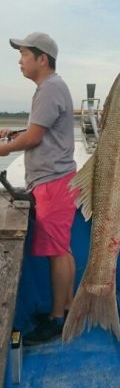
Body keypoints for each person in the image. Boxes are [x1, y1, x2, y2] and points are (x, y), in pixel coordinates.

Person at [0, 32, 77, 345]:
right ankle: (66, 309)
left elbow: (34, 138)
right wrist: (11, 135)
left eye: (24, 55)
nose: (20, 61)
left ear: (42, 59)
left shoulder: (48, 88)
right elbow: (38, 130)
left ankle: (57, 319)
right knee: (61, 249)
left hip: (53, 183)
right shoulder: (52, 87)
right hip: (56, 181)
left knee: (57, 252)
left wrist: (4, 149)